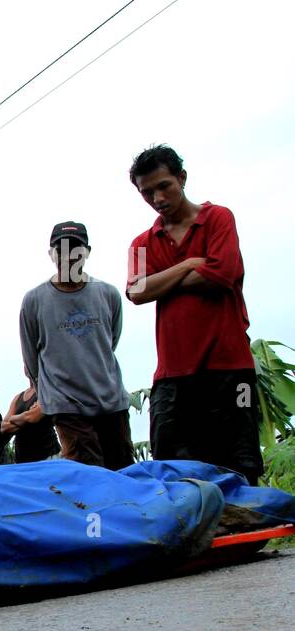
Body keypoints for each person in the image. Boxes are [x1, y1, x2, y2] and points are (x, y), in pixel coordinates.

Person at [125, 145, 261, 483]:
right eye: (147, 192)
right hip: (173, 374)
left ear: (181, 178)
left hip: (230, 369)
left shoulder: (218, 218)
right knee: (174, 468)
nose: (157, 198)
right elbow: (136, 291)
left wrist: (161, 280)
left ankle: (250, 534)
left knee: (239, 461)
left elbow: (220, 273)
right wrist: (187, 264)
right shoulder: (142, 243)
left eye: (163, 186)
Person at [20, 222, 134, 471]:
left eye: (75, 249)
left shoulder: (108, 294)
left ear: (87, 252)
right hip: (66, 404)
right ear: (51, 254)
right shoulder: (34, 300)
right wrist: (48, 395)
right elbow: (31, 357)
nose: (68, 255)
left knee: (123, 469)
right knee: (87, 473)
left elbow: (110, 341)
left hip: (111, 400)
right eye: (60, 249)